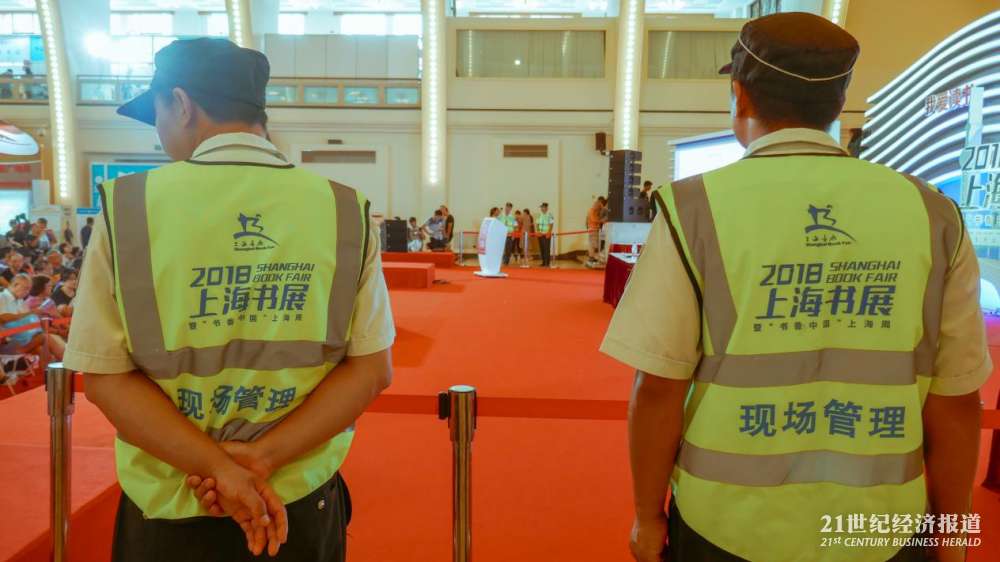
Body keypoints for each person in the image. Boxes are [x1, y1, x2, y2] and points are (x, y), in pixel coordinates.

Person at [601, 13, 989, 562]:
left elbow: (659, 386)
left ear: (739, 95)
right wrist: (951, 535)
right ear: (839, 101)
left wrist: (647, 515)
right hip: (879, 526)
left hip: (727, 523)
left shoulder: (694, 208)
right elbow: (957, 399)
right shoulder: (933, 213)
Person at [63, 37, 394, 561]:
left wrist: (218, 468)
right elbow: (371, 371)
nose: (160, 133)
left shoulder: (128, 208)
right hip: (295, 503)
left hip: (170, 505)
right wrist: (260, 460)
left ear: (181, 104)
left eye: (158, 116)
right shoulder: (344, 208)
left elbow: (106, 378)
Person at [0, 273, 65, 362]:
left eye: (29, 289)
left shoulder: (20, 300)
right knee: (45, 338)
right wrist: (31, 313)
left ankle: (55, 368)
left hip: (23, 338)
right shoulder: (2, 297)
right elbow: (3, 318)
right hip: (8, 342)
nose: (27, 292)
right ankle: (68, 363)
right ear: (15, 285)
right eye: (25, 288)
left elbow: (28, 319)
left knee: (42, 348)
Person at [586, 197, 607, 267]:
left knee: (594, 244)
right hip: (593, 229)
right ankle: (591, 258)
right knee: (593, 245)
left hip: (594, 229)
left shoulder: (594, 210)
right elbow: (594, 219)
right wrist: (602, 221)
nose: (599, 208)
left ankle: (592, 258)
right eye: (598, 206)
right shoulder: (592, 211)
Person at [536, 202, 555, 267]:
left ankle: (547, 263)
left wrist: (549, 232)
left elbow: (551, 224)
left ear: (546, 208)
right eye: (541, 207)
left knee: (546, 249)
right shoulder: (539, 215)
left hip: (546, 234)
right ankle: (543, 262)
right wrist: (538, 231)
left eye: (543, 207)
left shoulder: (550, 215)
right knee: (542, 248)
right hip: (540, 234)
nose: (542, 208)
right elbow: (537, 224)